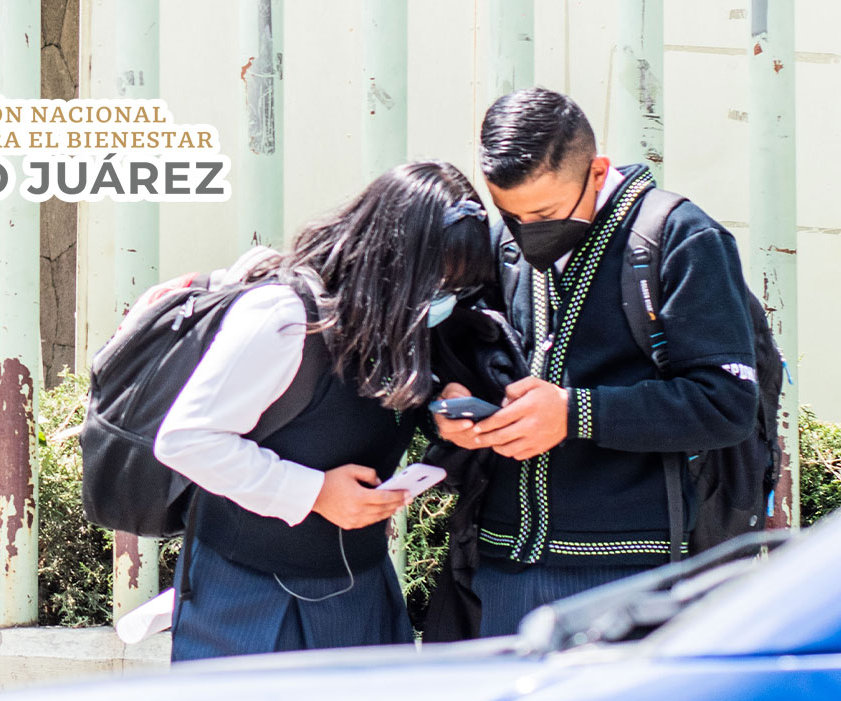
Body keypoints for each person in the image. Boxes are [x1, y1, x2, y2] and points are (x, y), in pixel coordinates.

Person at [433, 88, 760, 637]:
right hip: (497, 567)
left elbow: (726, 402)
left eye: (545, 213)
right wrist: (448, 404)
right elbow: (456, 359)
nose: (526, 229)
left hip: (631, 577)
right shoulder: (496, 243)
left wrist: (574, 413)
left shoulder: (677, 236)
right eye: (510, 214)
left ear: (597, 170)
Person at [154, 161, 497, 661]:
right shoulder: (285, 316)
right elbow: (186, 439)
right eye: (436, 282)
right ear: (391, 258)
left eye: (456, 288)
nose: (442, 300)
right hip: (248, 597)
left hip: (360, 588)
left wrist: (443, 404)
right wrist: (313, 492)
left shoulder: (398, 322)